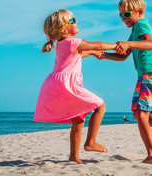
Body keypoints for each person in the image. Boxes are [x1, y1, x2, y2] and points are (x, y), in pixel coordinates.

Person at [100, 0, 152, 164]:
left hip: (150, 72)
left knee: (141, 113)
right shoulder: (135, 31)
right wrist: (104, 55)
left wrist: (128, 44)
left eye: (127, 14)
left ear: (140, 12)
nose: (123, 18)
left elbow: (149, 44)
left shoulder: (141, 25)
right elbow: (123, 57)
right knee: (138, 114)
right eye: (121, 15)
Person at [34, 9, 117, 164]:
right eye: (73, 20)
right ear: (64, 29)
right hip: (68, 85)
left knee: (78, 120)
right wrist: (117, 45)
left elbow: (77, 55)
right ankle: (91, 142)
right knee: (100, 106)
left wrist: (92, 53)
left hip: (55, 85)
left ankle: (73, 156)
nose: (76, 22)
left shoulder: (62, 44)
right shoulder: (74, 42)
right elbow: (98, 44)